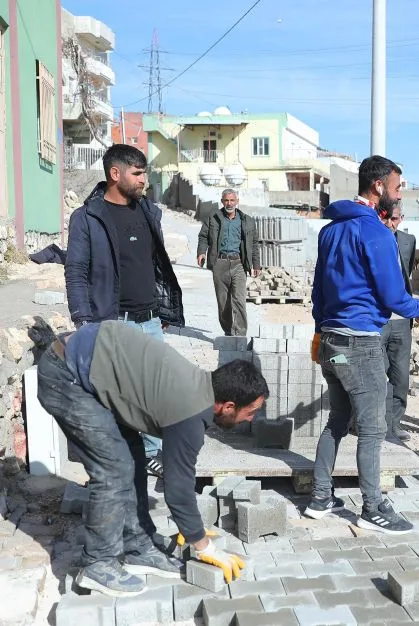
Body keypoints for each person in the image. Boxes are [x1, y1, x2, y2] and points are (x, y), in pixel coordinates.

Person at [35, 321, 267, 596]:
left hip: (91, 366)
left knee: (132, 457)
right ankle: (98, 563)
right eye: (250, 412)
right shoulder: (189, 413)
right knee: (113, 470)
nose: (250, 420)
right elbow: (178, 489)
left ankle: (138, 547)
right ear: (228, 406)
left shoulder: (199, 387)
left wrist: (190, 528)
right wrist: (202, 543)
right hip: (66, 375)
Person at [306, 155, 419, 534]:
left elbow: (319, 291)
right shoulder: (376, 233)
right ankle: (373, 506)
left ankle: (320, 497)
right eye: (397, 188)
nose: (399, 196)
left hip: (331, 340)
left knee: (337, 419)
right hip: (360, 343)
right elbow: (394, 296)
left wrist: (318, 332)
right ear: (378, 187)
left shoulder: (330, 231)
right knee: (374, 428)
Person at [65, 144, 185, 480]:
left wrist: (162, 309)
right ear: (115, 174)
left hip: (150, 320)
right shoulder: (88, 218)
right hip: (113, 320)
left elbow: (154, 264)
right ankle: (130, 457)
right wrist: (83, 321)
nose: (144, 180)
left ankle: (147, 451)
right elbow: (75, 270)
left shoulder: (148, 211)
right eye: (137, 173)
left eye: (144, 172)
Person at [197, 189, 261, 336]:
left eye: (232, 200)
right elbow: (203, 236)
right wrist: (201, 252)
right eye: (226, 200)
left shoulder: (247, 221)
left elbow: (254, 244)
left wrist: (256, 264)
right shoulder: (213, 218)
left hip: (239, 264)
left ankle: (240, 334)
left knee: (239, 300)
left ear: (237, 201)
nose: (229, 203)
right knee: (223, 302)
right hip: (220, 263)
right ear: (222, 201)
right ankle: (228, 332)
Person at [379, 203, 417, 443]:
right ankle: (379, 424)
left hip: (401, 317)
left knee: (401, 376)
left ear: (400, 218)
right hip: (378, 318)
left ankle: (395, 422)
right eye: (386, 219)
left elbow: (407, 272)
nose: (390, 224)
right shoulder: (372, 238)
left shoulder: (408, 241)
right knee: (378, 374)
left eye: (394, 219)